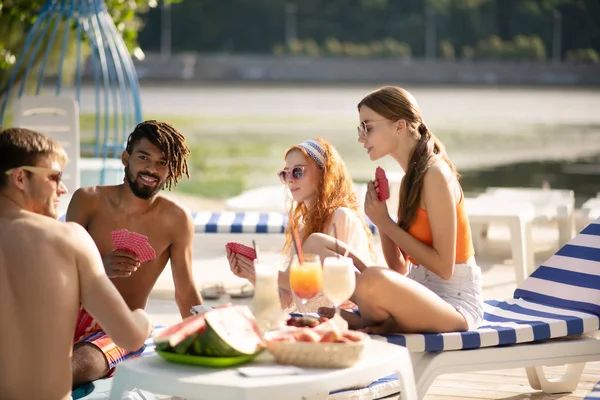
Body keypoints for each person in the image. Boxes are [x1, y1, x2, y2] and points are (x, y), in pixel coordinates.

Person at [0, 128, 151, 400]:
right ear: (20, 178)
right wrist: (143, 320)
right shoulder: (68, 238)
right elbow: (130, 338)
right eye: (54, 177)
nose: (63, 188)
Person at [66, 120, 202, 386]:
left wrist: (209, 334)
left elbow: (185, 293)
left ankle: (37, 383)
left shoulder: (176, 219)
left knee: (89, 360)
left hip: (120, 325)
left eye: (163, 162)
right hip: (68, 310)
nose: (151, 168)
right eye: (144, 157)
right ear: (125, 157)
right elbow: (61, 270)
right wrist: (97, 270)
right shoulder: (87, 200)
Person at [343, 86, 484, 334]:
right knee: (320, 247)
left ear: (399, 126)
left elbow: (444, 267)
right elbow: (398, 267)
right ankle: (381, 320)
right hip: (419, 288)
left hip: (455, 301)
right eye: (360, 129)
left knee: (373, 280)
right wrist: (382, 216)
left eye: (367, 127)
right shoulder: (411, 177)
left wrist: (385, 222)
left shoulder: (435, 174)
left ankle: (377, 320)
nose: (361, 138)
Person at [227, 138, 375, 312]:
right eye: (285, 173)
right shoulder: (303, 227)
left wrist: (264, 271)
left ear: (324, 172)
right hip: (314, 321)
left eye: (297, 172)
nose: (290, 179)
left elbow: (336, 290)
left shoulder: (340, 217)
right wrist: (252, 276)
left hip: (345, 320)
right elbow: (286, 300)